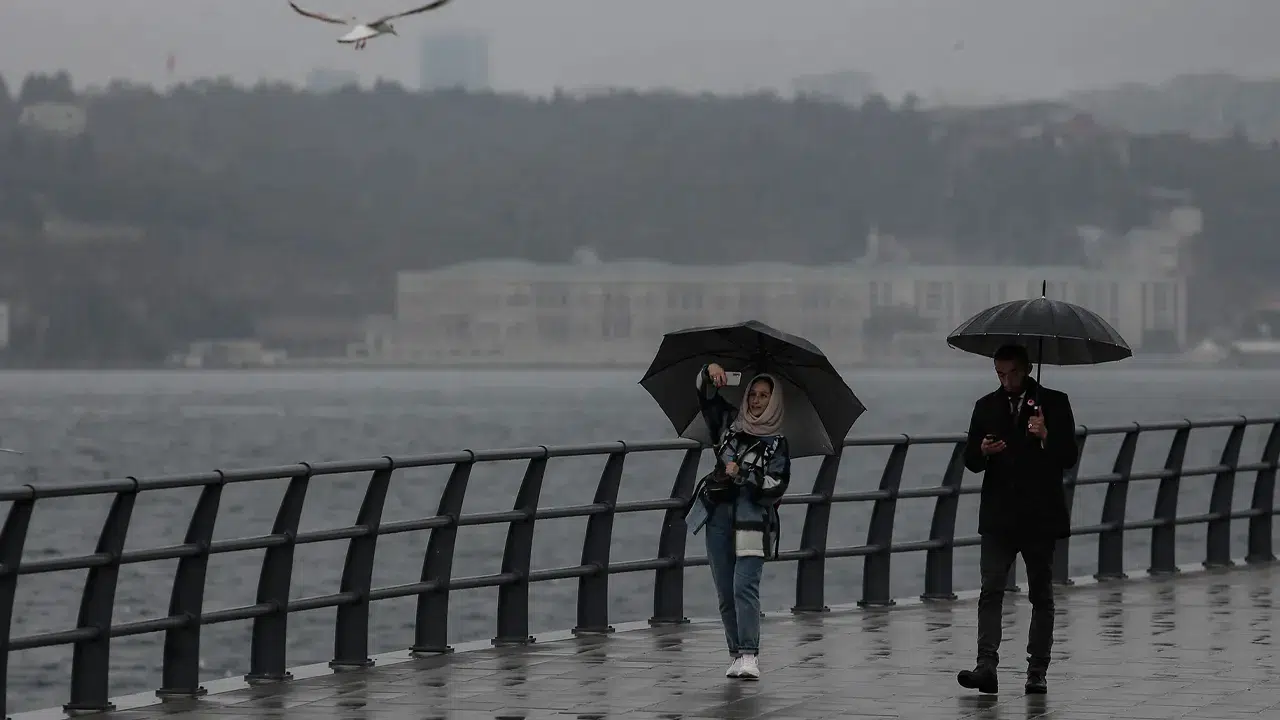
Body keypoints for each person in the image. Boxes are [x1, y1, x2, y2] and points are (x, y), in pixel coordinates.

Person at [956, 344, 1078, 696]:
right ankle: (986, 666)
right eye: (999, 374)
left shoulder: (1054, 403)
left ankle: (1037, 670)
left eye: (1011, 373)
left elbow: (1068, 456)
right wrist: (982, 450)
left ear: (1027, 369)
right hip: (998, 515)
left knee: (1041, 594)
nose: (1006, 380)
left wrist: (1046, 437)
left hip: (1039, 515)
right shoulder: (985, 406)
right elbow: (970, 459)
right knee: (990, 590)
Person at [687, 361, 791, 680]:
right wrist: (709, 371)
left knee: (743, 586)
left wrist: (744, 474)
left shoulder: (777, 443)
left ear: (773, 402)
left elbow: (777, 485)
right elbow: (704, 395)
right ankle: (735, 654)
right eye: (753, 395)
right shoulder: (729, 425)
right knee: (724, 591)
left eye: (764, 396)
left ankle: (749, 654)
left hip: (752, 521)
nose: (757, 401)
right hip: (717, 515)